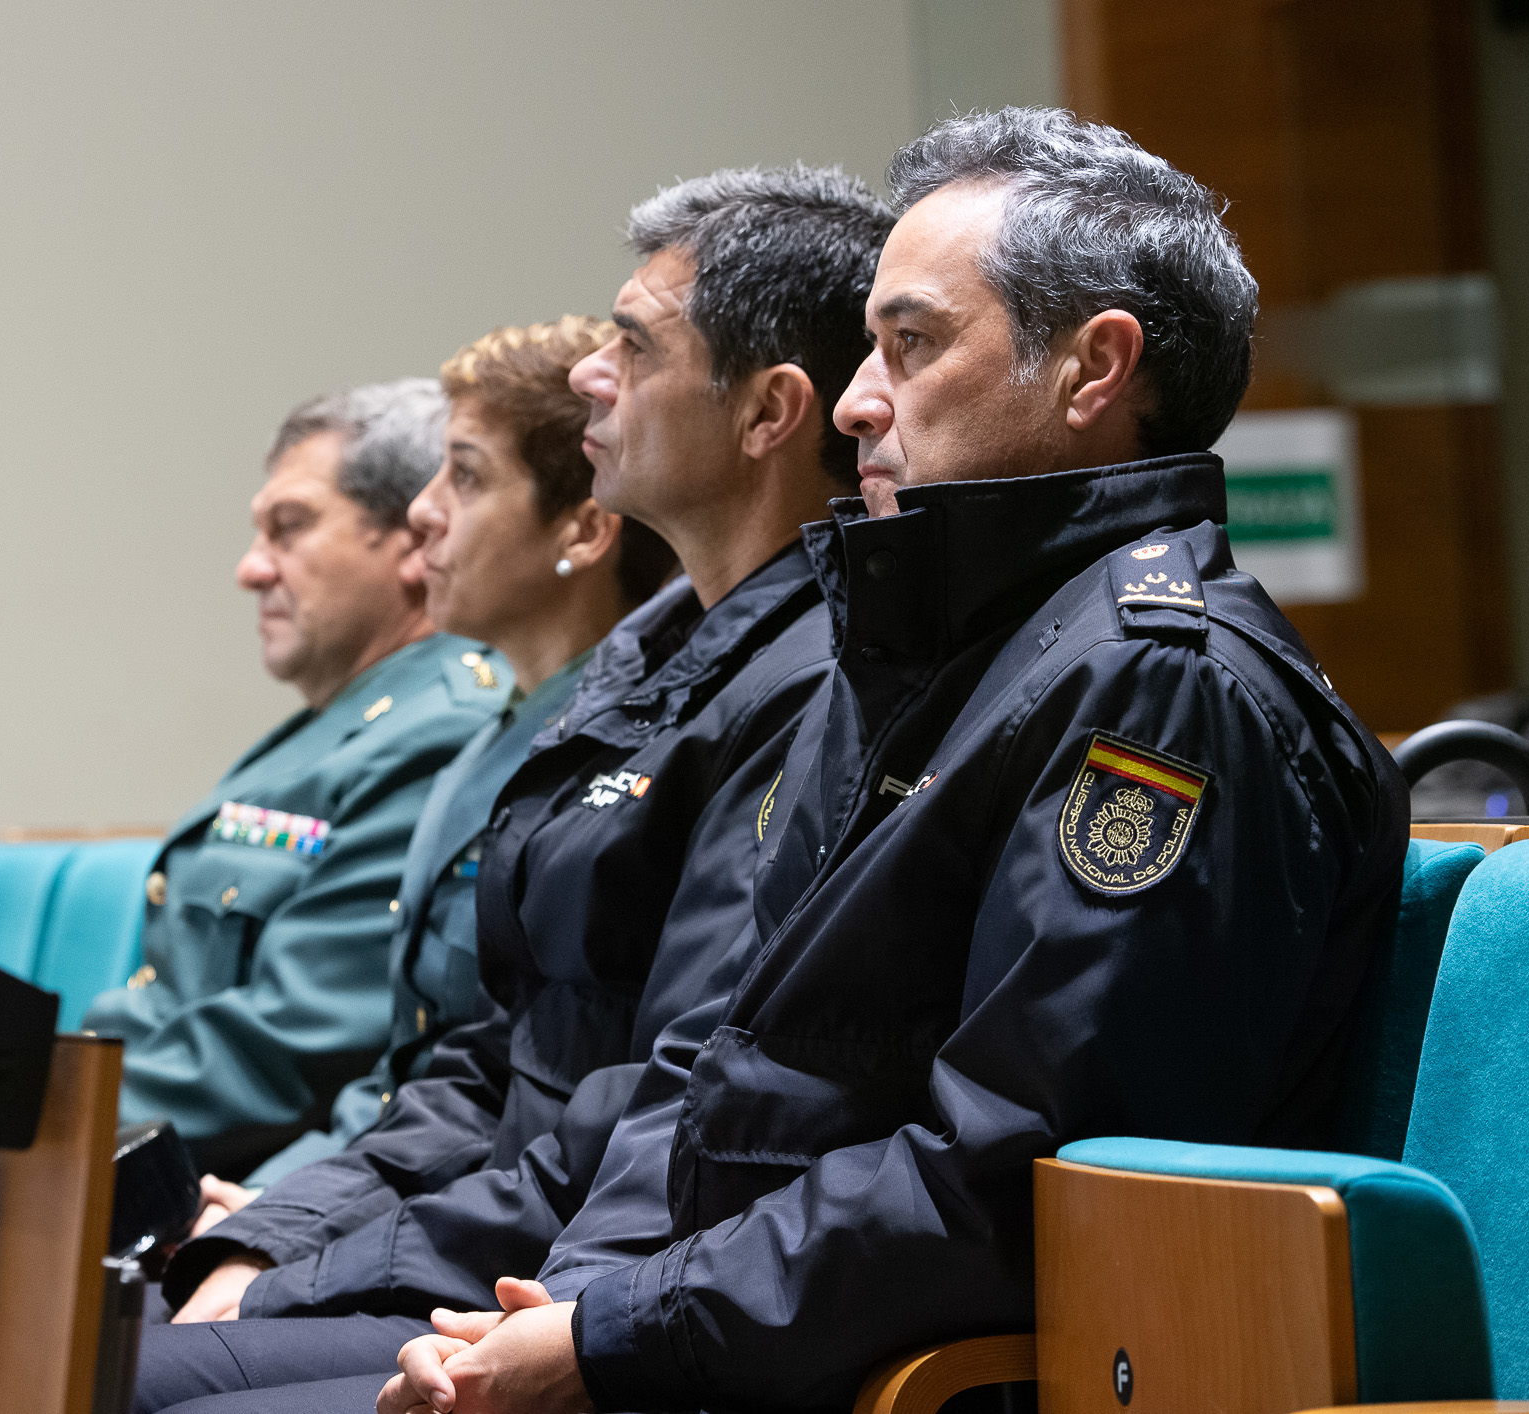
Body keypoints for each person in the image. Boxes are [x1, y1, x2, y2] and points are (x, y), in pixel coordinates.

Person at [377, 108, 1409, 1414]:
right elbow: (718, 1059)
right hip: (725, 1335)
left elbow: (1012, 1170)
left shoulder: (1154, 691)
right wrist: (580, 1301)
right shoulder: (952, 658)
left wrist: (615, 1334)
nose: (858, 401)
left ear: (1092, 370)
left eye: (910, 345)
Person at [142, 165, 892, 1409]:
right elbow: (495, 1056)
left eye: (634, 347)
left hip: (574, 1284)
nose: (594, 373)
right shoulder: (650, 662)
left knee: (94, 1373)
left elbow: (661, 1108)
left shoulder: (813, 685)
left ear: (767, 414)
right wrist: (284, 1228)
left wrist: (302, 1268)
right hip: (499, 1243)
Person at [190, 316, 678, 1202]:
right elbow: (413, 1070)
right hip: (386, 1180)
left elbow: (530, 1096)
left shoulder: (622, 756)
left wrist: (283, 1218)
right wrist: (275, 1207)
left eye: (465, 476)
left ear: (581, 530)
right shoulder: (498, 738)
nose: (422, 512)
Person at [84, 380, 508, 1175]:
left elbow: (294, 1040)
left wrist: (45, 1112)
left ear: (412, 537)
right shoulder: (343, 722)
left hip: (243, 1188)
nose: (251, 570)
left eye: (290, 529)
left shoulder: (436, 730)